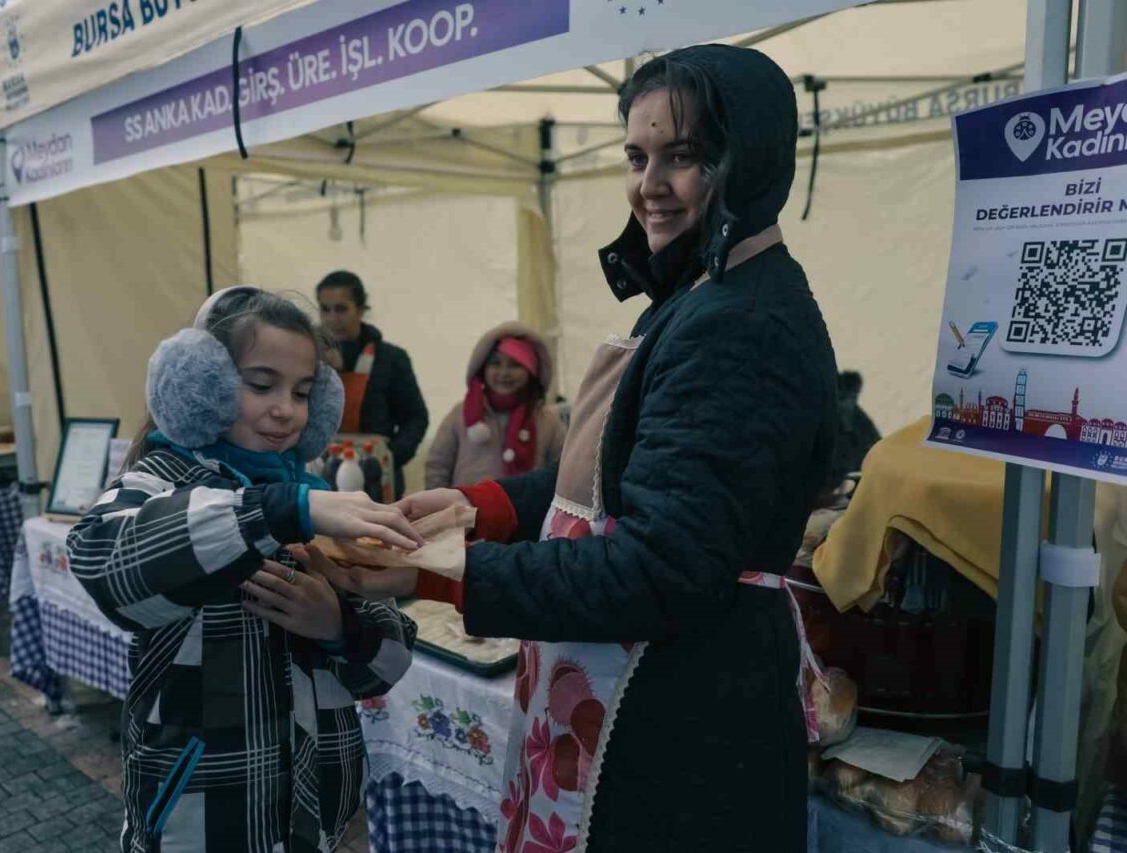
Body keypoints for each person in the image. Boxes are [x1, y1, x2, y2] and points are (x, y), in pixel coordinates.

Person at [314, 45, 837, 852]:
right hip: (647, 689)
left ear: (749, 159)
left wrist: (439, 570)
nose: (648, 184)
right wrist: (480, 508)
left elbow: (660, 568)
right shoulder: (702, 291)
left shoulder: (742, 322)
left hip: (680, 717)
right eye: (636, 157)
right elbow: (620, 475)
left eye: (682, 156)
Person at [67, 286, 419, 852]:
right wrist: (279, 512)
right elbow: (105, 563)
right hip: (201, 820)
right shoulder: (160, 482)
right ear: (199, 384)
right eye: (261, 385)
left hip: (311, 820)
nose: (287, 410)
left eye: (302, 392)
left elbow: (391, 660)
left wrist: (336, 625)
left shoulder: (313, 496)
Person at [316, 271, 428, 497]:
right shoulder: (307, 357)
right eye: (325, 309)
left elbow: (416, 417)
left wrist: (390, 456)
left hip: (377, 473)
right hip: (320, 470)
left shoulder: (391, 359)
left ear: (360, 310)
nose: (332, 318)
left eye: (341, 309)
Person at [424, 322, 566, 490]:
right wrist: (441, 504)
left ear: (531, 371)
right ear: (482, 369)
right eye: (495, 363)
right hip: (466, 506)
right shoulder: (460, 414)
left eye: (515, 364)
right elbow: (437, 467)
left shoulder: (547, 420)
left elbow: (563, 471)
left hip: (528, 507)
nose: (504, 373)